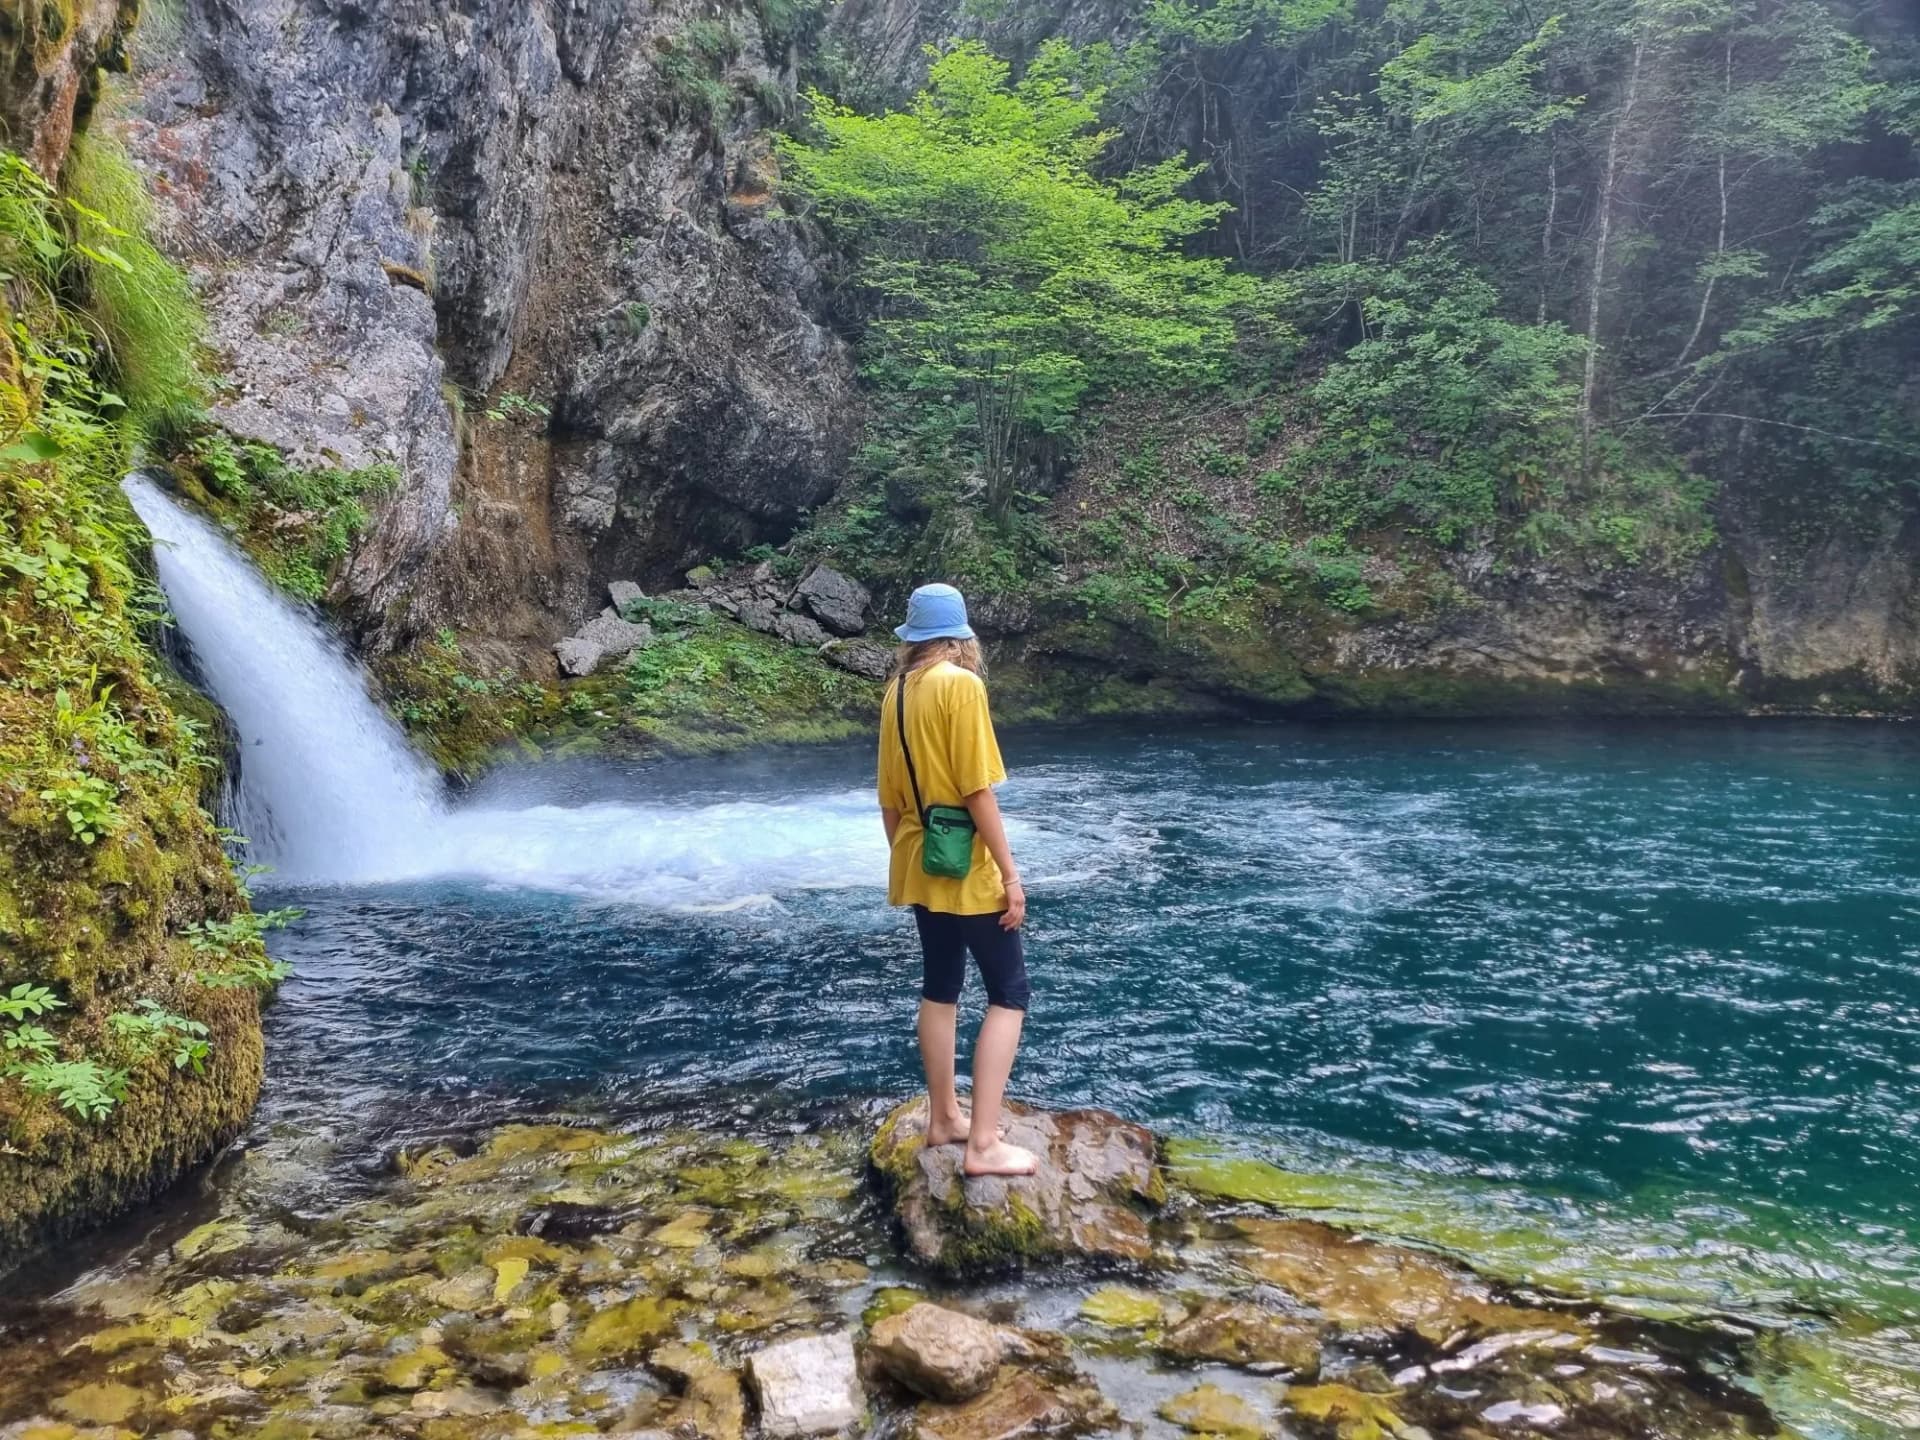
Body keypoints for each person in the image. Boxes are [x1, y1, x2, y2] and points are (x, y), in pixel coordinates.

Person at [877, 583, 1036, 1178]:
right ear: (960, 636)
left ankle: (944, 1117)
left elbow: (889, 801)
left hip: (920, 857)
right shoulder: (961, 685)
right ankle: (984, 1146)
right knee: (1009, 993)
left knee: (940, 985)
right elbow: (976, 790)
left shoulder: (896, 693)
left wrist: (911, 858)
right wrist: (1011, 875)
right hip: (967, 864)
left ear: (913, 640)